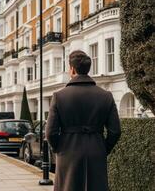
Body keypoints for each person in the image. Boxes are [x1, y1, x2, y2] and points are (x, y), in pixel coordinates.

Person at [46, 50, 121, 191]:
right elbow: (115, 131)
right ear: (88, 69)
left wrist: (59, 148)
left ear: (72, 69)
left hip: (67, 152)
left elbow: (50, 133)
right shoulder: (106, 96)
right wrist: (103, 148)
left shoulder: (59, 96)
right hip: (96, 151)